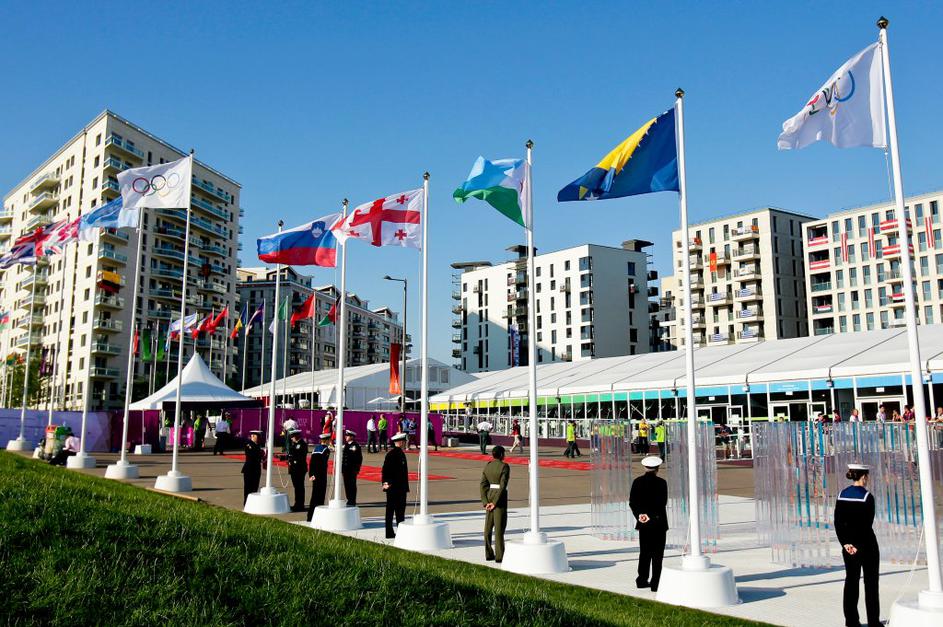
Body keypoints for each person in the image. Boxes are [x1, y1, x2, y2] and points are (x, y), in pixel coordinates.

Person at [834, 463, 880, 627]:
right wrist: (858, 544)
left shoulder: (841, 495)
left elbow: (838, 522)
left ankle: (851, 621)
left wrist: (846, 543)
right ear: (864, 476)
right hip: (867, 546)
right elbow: (866, 525)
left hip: (848, 547)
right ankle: (873, 622)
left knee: (851, 582)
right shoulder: (867, 497)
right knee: (871, 583)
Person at [629, 456, 668, 592]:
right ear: (657, 468)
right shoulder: (662, 483)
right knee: (658, 555)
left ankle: (642, 579)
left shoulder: (637, 482)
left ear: (645, 467)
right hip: (658, 523)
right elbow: (662, 503)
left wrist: (641, 515)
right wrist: (651, 515)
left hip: (644, 523)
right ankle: (655, 582)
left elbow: (632, 502)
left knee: (644, 553)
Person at [480, 445, 510, 563]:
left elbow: (483, 485)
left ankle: (488, 553)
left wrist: (486, 502)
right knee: (499, 529)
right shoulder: (504, 466)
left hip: (489, 496)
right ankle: (499, 555)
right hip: (499, 500)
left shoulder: (488, 466)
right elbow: (503, 485)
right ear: (501, 454)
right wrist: (495, 502)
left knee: (487, 529)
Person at [382, 432, 410, 538]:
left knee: (400, 511)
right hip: (394, 487)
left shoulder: (400, 453)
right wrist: (386, 483)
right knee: (392, 510)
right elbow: (386, 470)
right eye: (404, 441)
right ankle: (389, 532)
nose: (405, 443)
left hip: (400, 487)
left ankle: (400, 531)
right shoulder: (392, 454)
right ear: (400, 442)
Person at [307, 433, 331, 520]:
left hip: (314, 475)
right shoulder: (326, 450)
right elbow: (323, 465)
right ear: (327, 440)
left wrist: (311, 474)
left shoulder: (315, 449)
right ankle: (318, 516)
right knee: (320, 496)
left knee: (314, 495)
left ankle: (310, 516)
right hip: (321, 475)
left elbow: (311, 463)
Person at [286, 429, 308, 513]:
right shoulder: (294, 444)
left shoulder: (302, 444)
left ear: (297, 436)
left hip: (299, 469)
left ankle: (300, 505)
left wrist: (291, 458)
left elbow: (299, 456)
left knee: (299, 487)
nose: (291, 438)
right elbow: (291, 454)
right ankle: (297, 503)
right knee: (296, 487)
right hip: (294, 469)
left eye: (292, 436)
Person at [241, 430, 264, 505]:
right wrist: (261, 453)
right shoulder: (248, 444)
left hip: (256, 468)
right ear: (253, 436)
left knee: (255, 486)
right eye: (258, 436)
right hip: (249, 469)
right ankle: (247, 503)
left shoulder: (258, 445)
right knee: (248, 487)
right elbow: (252, 454)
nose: (259, 438)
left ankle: (253, 502)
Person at [341, 429, 363, 506]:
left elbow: (359, 458)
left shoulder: (355, 446)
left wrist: (357, 469)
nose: (345, 437)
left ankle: (352, 500)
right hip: (345, 469)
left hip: (352, 469)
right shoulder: (346, 445)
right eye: (346, 435)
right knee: (346, 485)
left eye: (347, 436)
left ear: (352, 437)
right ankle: (349, 499)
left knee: (352, 485)